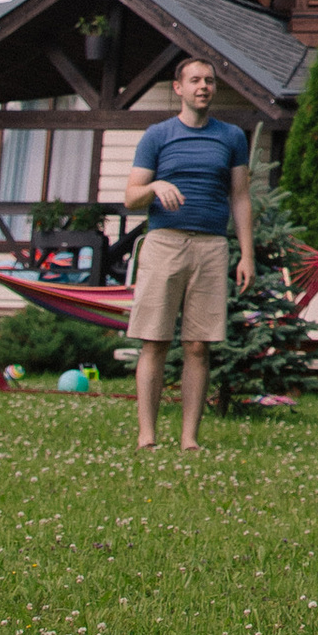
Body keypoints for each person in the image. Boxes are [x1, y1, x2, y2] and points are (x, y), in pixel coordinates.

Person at [124, 54, 253, 455]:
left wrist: (246, 254)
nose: (204, 87)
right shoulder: (157, 136)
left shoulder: (231, 137)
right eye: (195, 80)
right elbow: (130, 198)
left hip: (212, 247)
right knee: (155, 341)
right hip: (164, 243)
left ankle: (189, 439)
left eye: (210, 81)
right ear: (178, 88)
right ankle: (147, 435)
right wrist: (154, 187)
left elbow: (241, 197)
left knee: (199, 345)